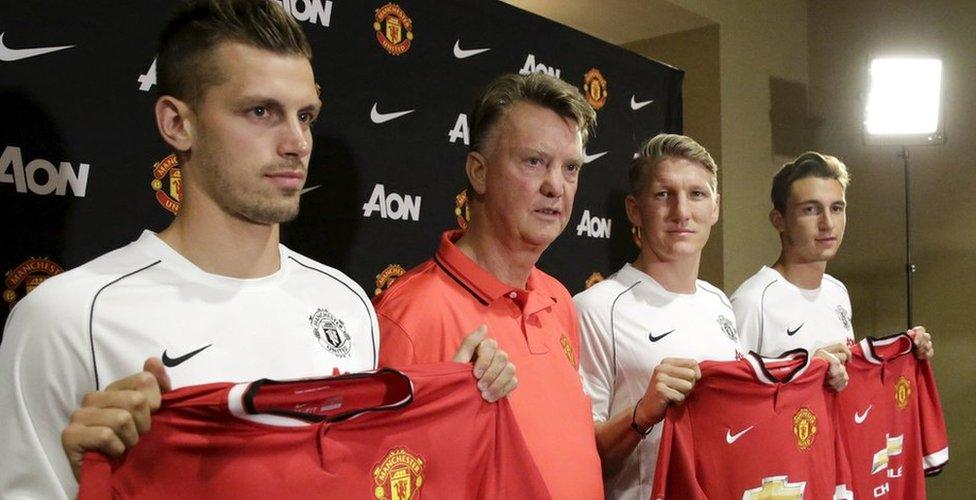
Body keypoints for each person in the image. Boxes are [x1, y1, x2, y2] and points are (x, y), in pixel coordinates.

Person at [0, 2, 511, 498]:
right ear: (178, 123)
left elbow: (358, 477)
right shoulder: (67, 318)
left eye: (306, 116)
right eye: (261, 111)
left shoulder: (348, 304)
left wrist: (448, 391)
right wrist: (88, 478)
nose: (297, 142)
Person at [373, 72, 604, 499]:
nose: (555, 186)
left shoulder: (560, 300)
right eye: (534, 162)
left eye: (570, 168)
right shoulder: (409, 315)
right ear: (479, 172)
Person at [574, 134, 746, 500]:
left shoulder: (719, 303)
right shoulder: (596, 308)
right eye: (663, 195)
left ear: (715, 207)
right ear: (635, 210)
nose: (682, 211)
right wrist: (641, 414)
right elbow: (574, 456)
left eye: (697, 194)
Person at [729, 151, 933, 392]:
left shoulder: (837, 292)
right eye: (810, 210)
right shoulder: (752, 301)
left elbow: (846, 385)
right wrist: (808, 372)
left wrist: (906, 351)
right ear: (779, 220)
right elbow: (733, 400)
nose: (827, 223)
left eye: (836, 208)